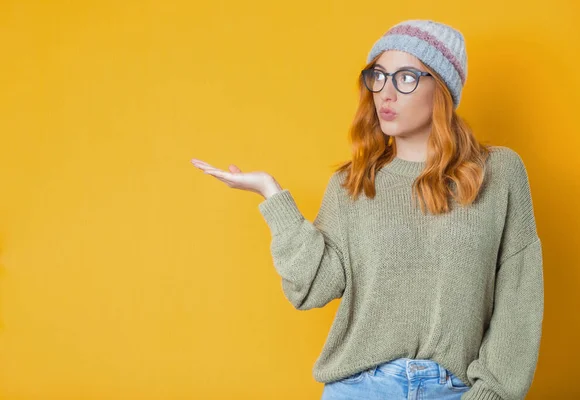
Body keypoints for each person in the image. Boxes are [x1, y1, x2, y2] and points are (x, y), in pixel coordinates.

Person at [191, 19, 544, 400]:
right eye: (378, 76)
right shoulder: (353, 186)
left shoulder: (499, 173)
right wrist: (272, 196)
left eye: (405, 78)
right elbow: (310, 289)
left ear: (441, 88)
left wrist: (490, 394)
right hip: (359, 388)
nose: (385, 93)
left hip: (454, 390)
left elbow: (519, 300)